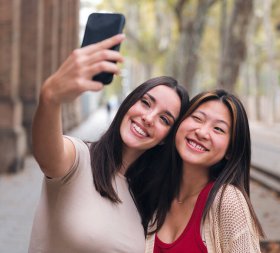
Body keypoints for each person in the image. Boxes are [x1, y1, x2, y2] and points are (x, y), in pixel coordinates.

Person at [29, 34, 189, 253]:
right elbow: (46, 155)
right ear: (129, 104)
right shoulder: (78, 159)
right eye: (145, 103)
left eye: (164, 119)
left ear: (166, 139)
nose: (149, 118)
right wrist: (50, 98)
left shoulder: (151, 199)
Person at [144, 90, 264, 253]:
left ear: (230, 150)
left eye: (218, 129)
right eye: (197, 118)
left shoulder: (227, 201)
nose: (201, 132)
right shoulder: (156, 190)